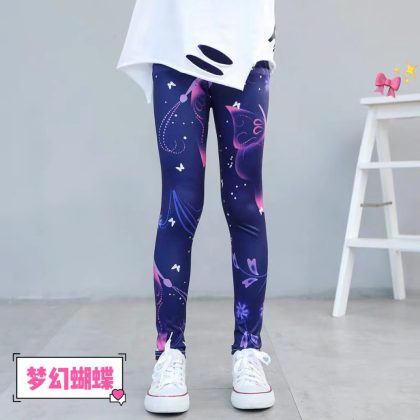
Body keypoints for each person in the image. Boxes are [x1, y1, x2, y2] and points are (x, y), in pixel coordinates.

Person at [116, 0, 277, 413]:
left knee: (246, 206)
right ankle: (169, 352)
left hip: (246, 45)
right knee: (178, 206)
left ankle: (248, 349)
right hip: (177, 44)